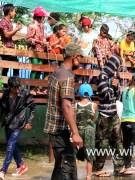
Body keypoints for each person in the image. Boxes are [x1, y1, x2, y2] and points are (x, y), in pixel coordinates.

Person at [43, 43, 84, 180]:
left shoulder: (55, 73)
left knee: (61, 166)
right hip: (62, 131)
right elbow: (66, 106)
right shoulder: (67, 76)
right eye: (80, 57)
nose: (81, 61)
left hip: (54, 129)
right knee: (67, 167)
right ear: (73, 57)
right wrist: (75, 133)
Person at [94, 55, 125, 177]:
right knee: (103, 143)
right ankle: (98, 168)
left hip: (114, 113)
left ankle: (119, 167)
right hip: (105, 115)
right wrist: (112, 86)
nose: (116, 69)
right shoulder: (102, 77)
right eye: (116, 66)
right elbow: (105, 96)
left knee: (118, 141)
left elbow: (115, 97)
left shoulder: (111, 77)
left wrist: (116, 87)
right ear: (112, 65)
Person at [0, 77, 34, 179]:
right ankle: (21, 165)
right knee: (13, 146)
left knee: (10, 146)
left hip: (19, 124)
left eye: (19, 87)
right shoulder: (5, 94)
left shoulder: (24, 93)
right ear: (10, 87)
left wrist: (29, 121)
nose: (18, 89)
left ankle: (3, 170)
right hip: (8, 123)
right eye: (15, 87)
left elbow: (33, 108)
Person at [75, 83, 98, 180]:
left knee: (76, 155)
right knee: (90, 156)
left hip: (78, 131)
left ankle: (74, 175)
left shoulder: (75, 105)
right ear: (90, 93)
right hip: (90, 132)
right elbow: (95, 120)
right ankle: (88, 176)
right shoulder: (94, 105)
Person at [27, 6, 49, 79]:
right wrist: (39, 41)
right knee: (35, 69)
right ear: (40, 17)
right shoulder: (32, 26)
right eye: (43, 16)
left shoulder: (42, 26)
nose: (44, 18)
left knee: (40, 69)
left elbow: (43, 37)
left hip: (41, 50)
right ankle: (30, 87)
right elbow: (28, 39)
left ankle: (35, 87)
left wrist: (45, 42)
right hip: (34, 50)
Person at [0, 4, 22, 77]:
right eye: (14, 11)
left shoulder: (9, 22)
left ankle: (8, 86)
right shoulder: (3, 22)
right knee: (13, 66)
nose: (15, 13)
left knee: (10, 67)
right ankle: (9, 85)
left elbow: (9, 37)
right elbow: (6, 35)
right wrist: (16, 29)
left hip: (9, 48)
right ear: (10, 12)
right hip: (5, 49)